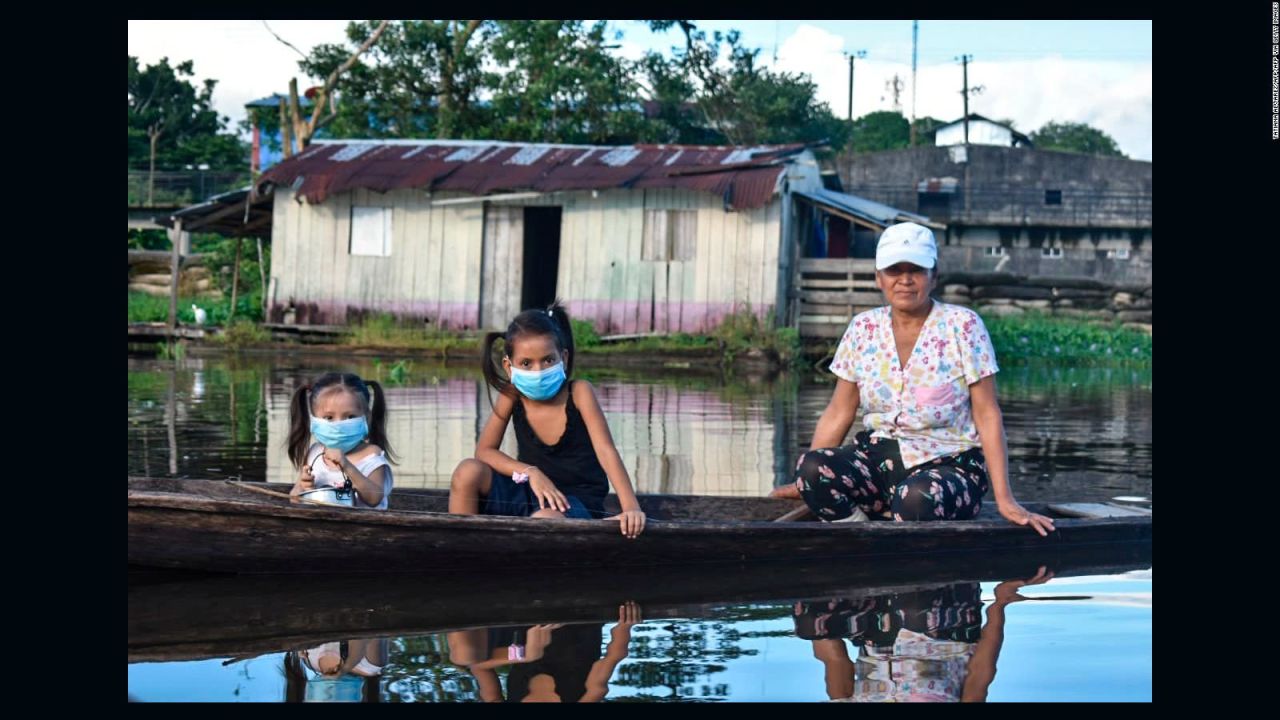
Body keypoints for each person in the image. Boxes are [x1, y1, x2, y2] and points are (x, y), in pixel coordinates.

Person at [772, 222, 1054, 536]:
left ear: (934, 276)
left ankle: (892, 533)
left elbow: (987, 414)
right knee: (811, 467)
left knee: (915, 499)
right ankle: (860, 536)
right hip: (879, 464)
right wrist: (806, 483)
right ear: (879, 278)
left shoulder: (962, 325)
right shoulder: (862, 329)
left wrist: (1006, 499)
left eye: (916, 270)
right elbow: (839, 411)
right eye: (894, 270)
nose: (905, 280)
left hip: (950, 468)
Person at [448, 301, 646, 539]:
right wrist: (531, 472)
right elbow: (485, 451)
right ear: (509, 368)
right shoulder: (512, 395)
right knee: (467, 471)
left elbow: (606, 451)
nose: (538, 371)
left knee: (544, 520)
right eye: (526, 364)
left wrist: (631, 508)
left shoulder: (580, 393)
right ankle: (463, 549)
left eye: (548, 360)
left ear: (563, 357)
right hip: (530, 490)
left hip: (574, 502)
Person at [797, 568, 1054, 702]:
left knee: (809, 619)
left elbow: (835, 661)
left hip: (875, 633)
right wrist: (999, 605)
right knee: (915, 606)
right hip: (941, 632)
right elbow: (981, 672)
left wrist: (817, 620)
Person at [447, 602, 642, 702]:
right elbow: (614, 656)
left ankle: (457, 601)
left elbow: (476, 666)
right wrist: (625, 625)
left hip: (530, 614)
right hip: (582, 612)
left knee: (464, 655)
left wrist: (523, 654)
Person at [287, 372, 396, 509]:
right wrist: (304, 488)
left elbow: (374, 498)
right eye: (329, 418)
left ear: (366, 417)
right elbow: (294, 496)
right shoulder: (315, 453)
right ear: (314, 419)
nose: (338, 425)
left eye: (350, 417)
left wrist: (346, 464)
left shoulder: (372, 455)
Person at [283, 637, 387, 702]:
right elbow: (364, 622)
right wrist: (349, 665)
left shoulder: (309, 661)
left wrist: (300, 641)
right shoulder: (369, 665)